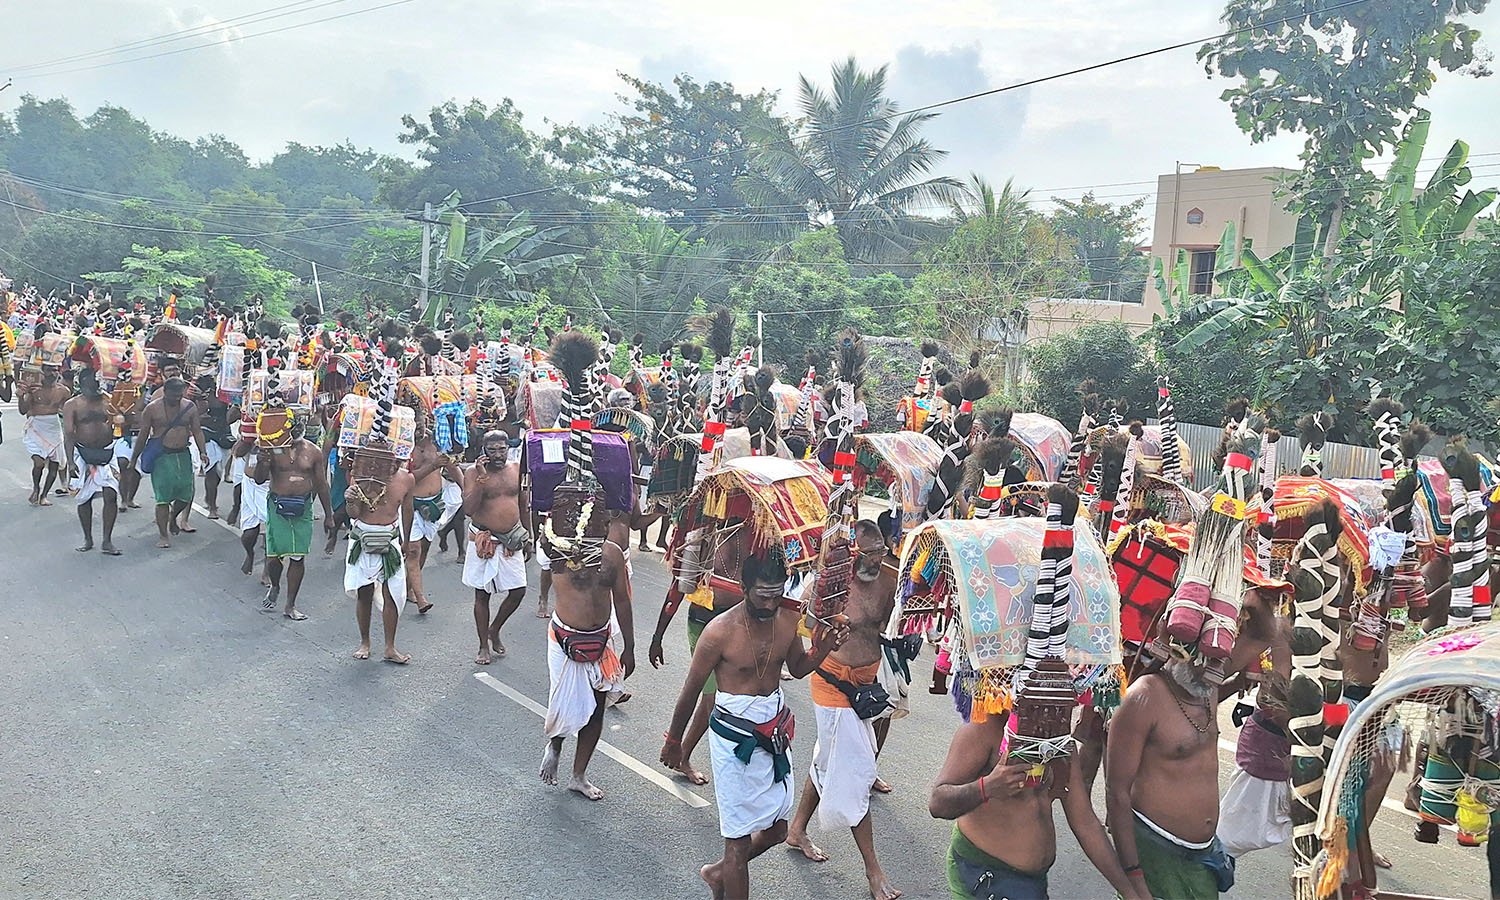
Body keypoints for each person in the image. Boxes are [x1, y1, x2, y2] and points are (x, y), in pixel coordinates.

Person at [660, 551, 848, 900]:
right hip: (735, 744)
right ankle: (728, 869)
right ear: (744, 588)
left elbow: (798, 665)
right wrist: (675, 741)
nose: (771, 602)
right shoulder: (718, 632)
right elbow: (691, 691)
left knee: (777, 830)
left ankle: (718, 875)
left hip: (774, 734)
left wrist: (823, 649)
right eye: (763, 594)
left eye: (777, 593)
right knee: (737, 844)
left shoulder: (788, 619)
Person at [785, 520, 902, 900]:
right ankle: (873, 872)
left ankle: (796, 828)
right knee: (855, 773)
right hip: (832, 682)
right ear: (852, 553)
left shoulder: (891, 576)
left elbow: (891, 624)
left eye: (881, 551)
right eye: (869, 553)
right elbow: (803, 627)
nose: (876, 559)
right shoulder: (830, 581)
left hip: (866, 682)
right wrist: (824, 618)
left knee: (827, 760)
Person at [930, 713, 1146, 900]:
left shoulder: (1060, 742)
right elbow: (938, 803)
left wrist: (1128, 891)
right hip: (983, 875)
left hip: (1033, 884)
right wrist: (988, 787)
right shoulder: (984, 730)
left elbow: (1085, 823)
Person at [1107, 654, 1232, 900]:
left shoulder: (1207, 687)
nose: (1211, 669)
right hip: (1156, 850)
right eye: (1202, 659)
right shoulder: (1142, 697)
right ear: (1177, 653)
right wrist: (1135, 881)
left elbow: (1263, 635)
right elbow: (1117, 792)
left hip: (1202, 854)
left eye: (1217, 660)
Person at [536, 501, 635, 800]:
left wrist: (629, 647)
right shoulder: (556, 547)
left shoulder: (613, 554)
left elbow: (623, 601)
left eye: (602, 518)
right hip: (564, 639)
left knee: (596, 710)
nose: (598, 523)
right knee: (563, 705)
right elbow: (539, 525)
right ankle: (555, 746)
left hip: (602, 640)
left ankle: (578, 776)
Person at [649, 524, 751, 786]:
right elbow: (677, 588)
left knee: (725, 698)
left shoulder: (759, 535)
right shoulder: (703, 535)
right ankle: (681, 752)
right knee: (711, 697)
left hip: (740, 627)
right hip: (702, 624)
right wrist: (657, 636)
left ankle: (685, 751)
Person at [460, 429, 529, 664]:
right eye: (493, 450)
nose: (498, 455)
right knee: (482, 594)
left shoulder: (516, 469)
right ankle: (483, 646)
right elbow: (469, 509)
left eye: (502, 449)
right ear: (483, 451)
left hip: (512, 539)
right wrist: (481, 478)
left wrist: (527, 536)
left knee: (518, 590)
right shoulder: (472, 472)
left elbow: (522, 502)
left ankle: (494, 629)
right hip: (485, 541)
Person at [255, 416, 334, 620]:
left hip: (303, 508)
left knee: (298, 557)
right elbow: (259, 478)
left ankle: (290, 605)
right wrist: (262, 461)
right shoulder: (272, 448)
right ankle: (275, 585)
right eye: (293, 423)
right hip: (277, 506)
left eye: (301, 423)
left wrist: (329, 515)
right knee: (274, 556)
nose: (297, 427)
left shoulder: (313, 451)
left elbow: (321, 484)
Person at [344, 454, 416, 663]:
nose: (391, 466)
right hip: (362, 538)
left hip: (390, 539)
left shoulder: (406, 479)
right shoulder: (360, 477)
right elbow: (355, 513)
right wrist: (350, 500)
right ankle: (365, 643)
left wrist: (407, 541)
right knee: (364, 591)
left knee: (391, 593)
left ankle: (390, 647)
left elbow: (407, 510)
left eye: (395, 461)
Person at [130, 377, 208, 549]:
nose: (176, 400)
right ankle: (163, 535)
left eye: (179, 396)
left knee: (185, 495)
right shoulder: (152, 409)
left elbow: (197, 430)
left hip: (183, 455)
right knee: (162, 499)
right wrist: (134, 458)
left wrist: (203, 452)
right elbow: (143, 435)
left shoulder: (189, 407)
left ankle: (173, 517)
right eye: (173, 396)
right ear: (165, 392)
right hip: (162, 457)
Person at [60, 367, 123, 555]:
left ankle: (107, 540)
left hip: (107, 452)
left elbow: (120, 421)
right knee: (84, 499)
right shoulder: (73, 404)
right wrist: (70, 462)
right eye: (90, 382)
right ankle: (88, 538)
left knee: (111, 495)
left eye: (96, 382)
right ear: (82, 383)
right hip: (82, 453)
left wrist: (123, 416)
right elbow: (69, 434)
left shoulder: (109, 400)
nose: (94, 385)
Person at [402, 418, 453, 614]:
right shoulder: (403, 446)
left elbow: (450, 465)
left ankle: (409, 588)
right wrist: (433, 466)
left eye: (420, 422)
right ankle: (421, 597)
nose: (419, 427)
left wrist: (465, 486)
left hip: (434, 505)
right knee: (413, 550)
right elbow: (407, 478)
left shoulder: (436, 442)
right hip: (411, 505)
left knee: (423, 550)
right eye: (414, 423)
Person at [19, 366, 70, 506]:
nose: (51, 373)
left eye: (54, 370)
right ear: (41, 372)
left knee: (55, 465)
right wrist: (22, 395)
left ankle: (44, 496)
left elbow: (69, 410)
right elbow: (22, 410)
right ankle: (36, 488)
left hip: (54, 427)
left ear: (58, 372)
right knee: (39, 463)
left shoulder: (63, 391)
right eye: (48, 370)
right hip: (36, 426)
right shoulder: (34, 390)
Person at [194, 373, 234, 519]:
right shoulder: (199, 396)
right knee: (211, 471)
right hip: (207, 435)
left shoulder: (228, 394)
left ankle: (209, 498)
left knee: (217, 474)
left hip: (224, 435)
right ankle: (212, 506)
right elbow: (196, 416)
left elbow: (231, 417)